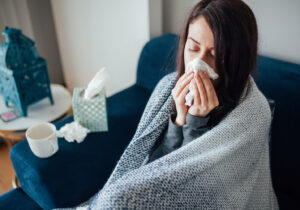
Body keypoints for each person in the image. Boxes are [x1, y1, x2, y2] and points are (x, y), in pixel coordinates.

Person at [58, 0, 279, 209]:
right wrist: (179, 118)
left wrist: (196, 123)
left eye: (215, 55)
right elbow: (157, 165)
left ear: (236, 60)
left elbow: (203, 190)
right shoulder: (168, 87)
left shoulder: (253, 114)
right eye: (193, 48)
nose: (199, 63)